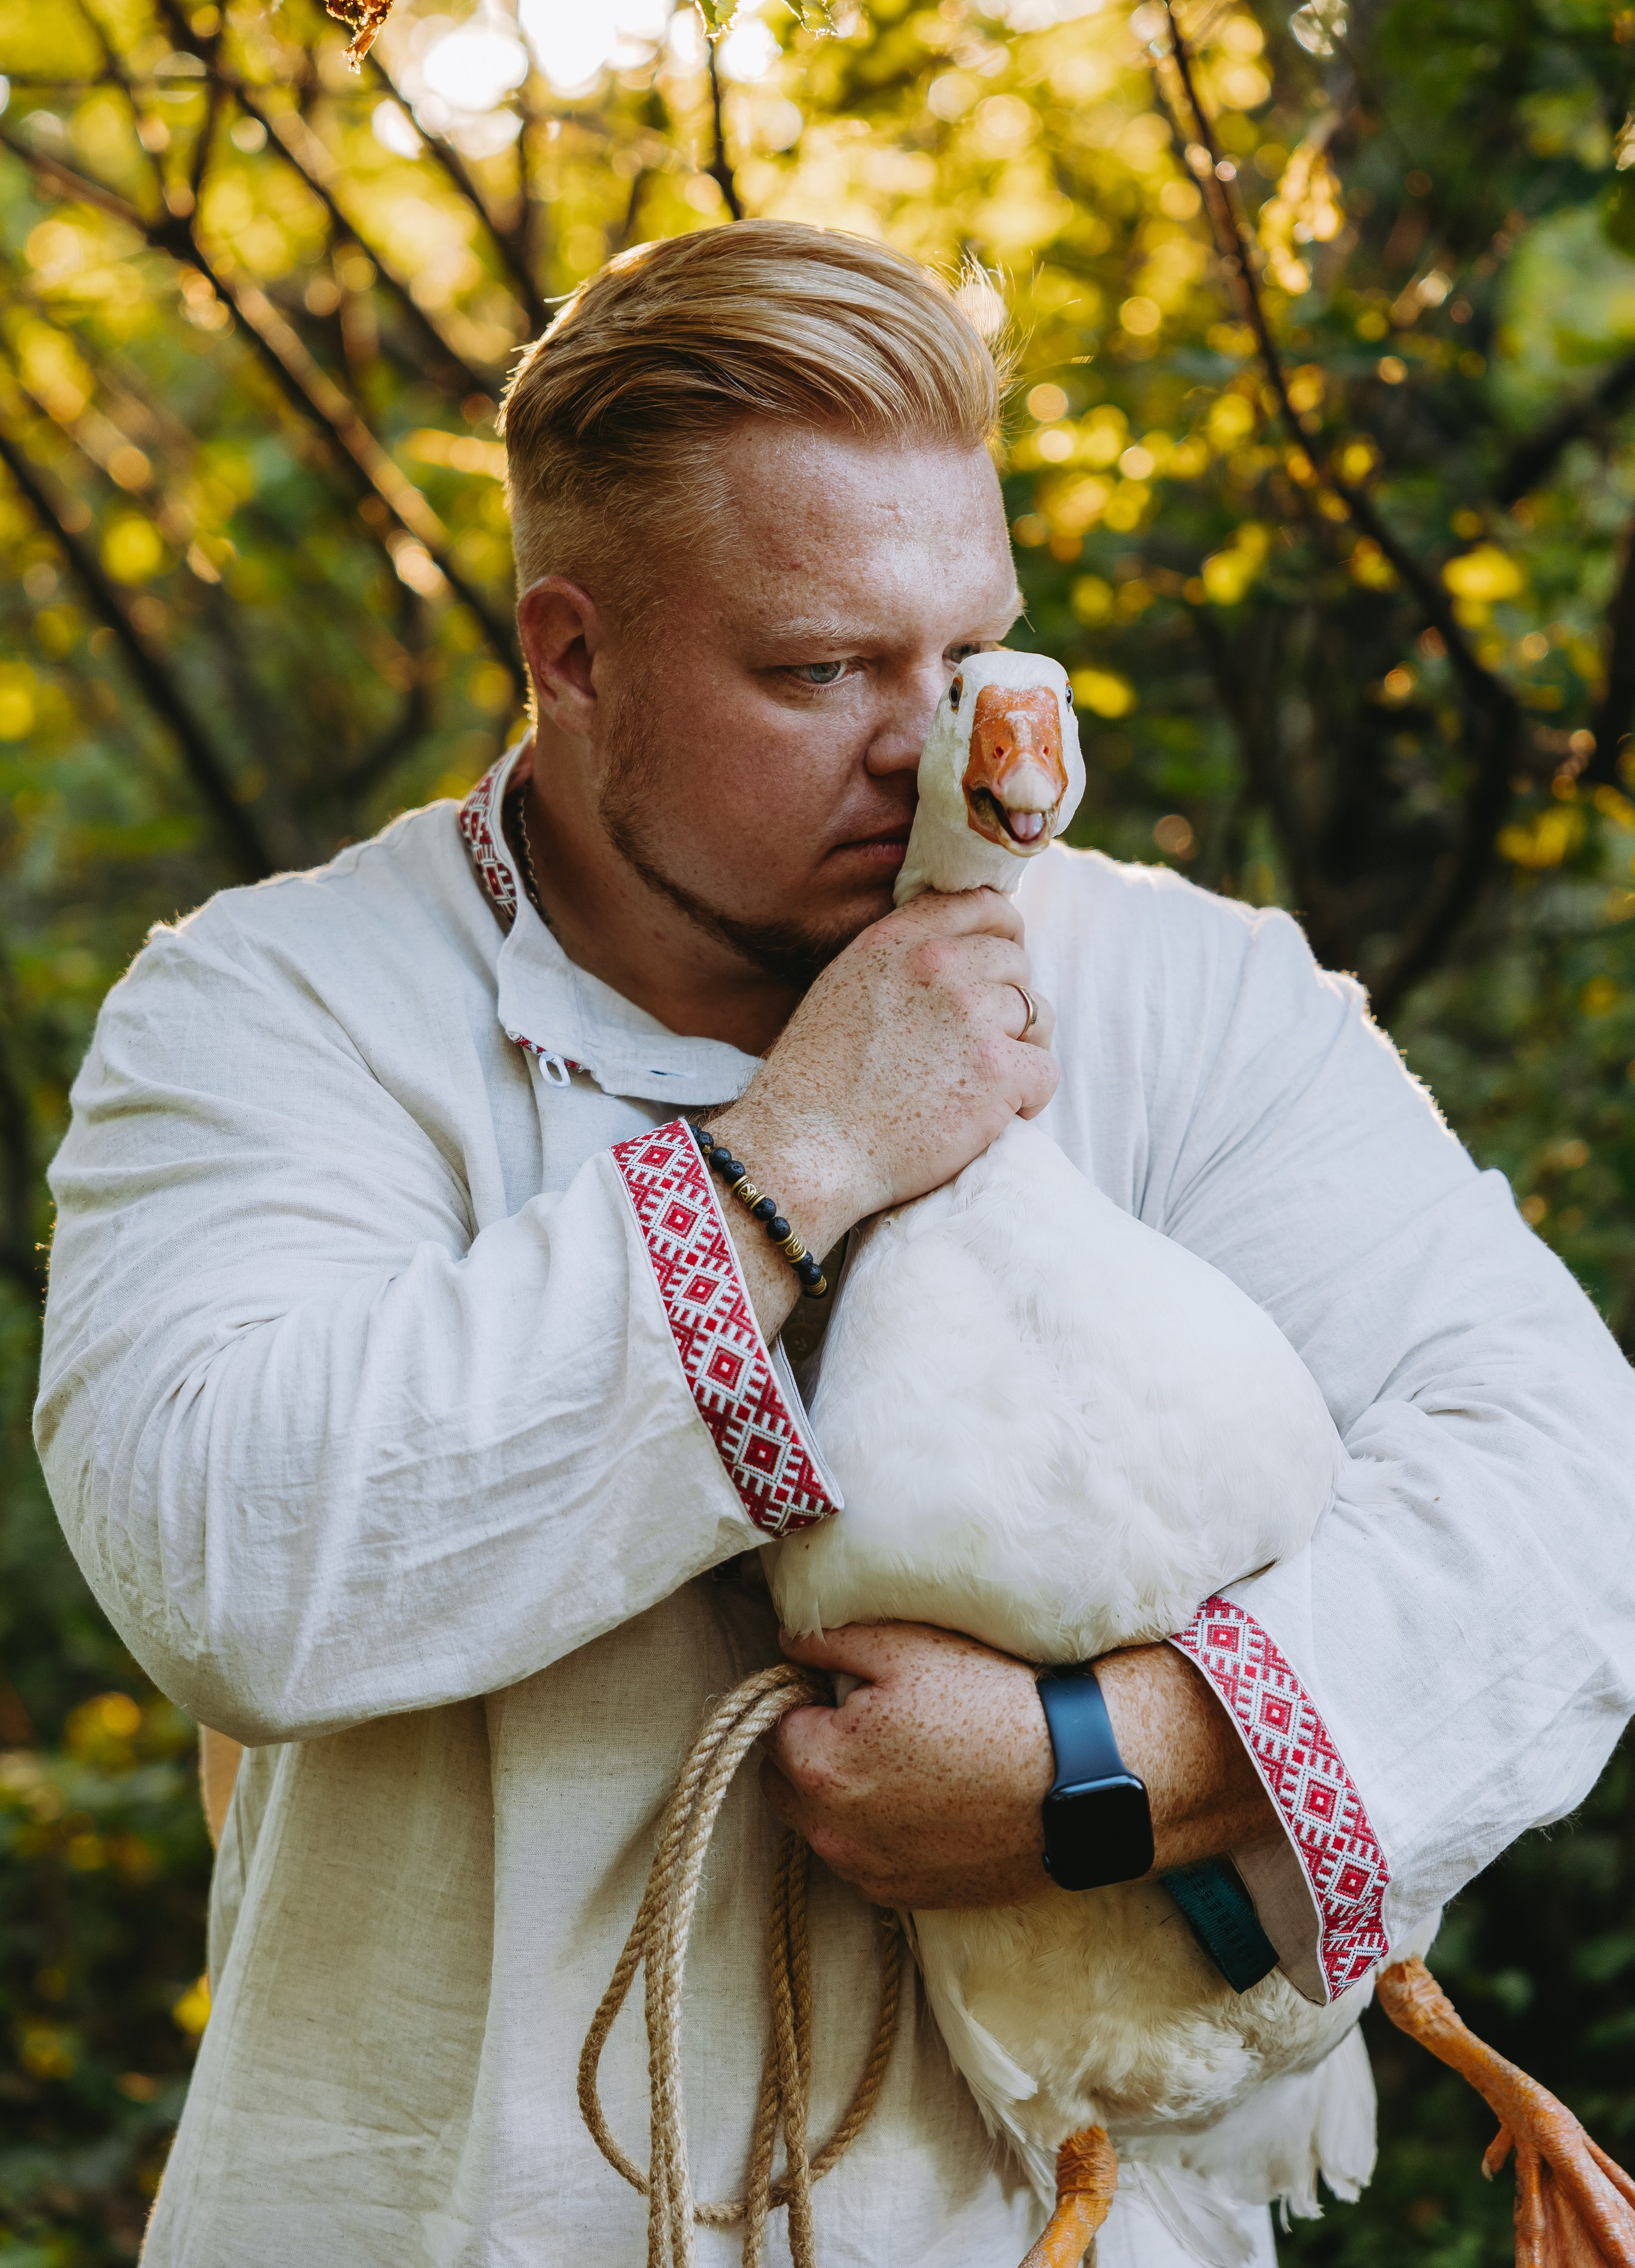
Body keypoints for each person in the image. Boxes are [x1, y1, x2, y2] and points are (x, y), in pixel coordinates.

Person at [34, 220, 1635, 2268]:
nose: (934, 745)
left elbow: (1566, 1485)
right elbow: (228, 1561)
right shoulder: (279, 1012)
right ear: (574, 652)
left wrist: (1112, 1765)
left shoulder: (1191, 994)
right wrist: (791, 1161)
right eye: (818, 671)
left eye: (972, 654)